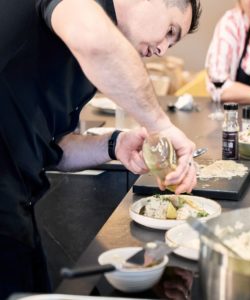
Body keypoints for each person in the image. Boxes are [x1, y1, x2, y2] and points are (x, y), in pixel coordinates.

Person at [0, 0, 201, 298]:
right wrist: (161, 125)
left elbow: (51, 148)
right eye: (170, 31)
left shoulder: (81, 61)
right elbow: (95, 40)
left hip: (15, 213)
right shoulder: (83, 20)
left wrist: (115, 144)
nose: (163, 49)